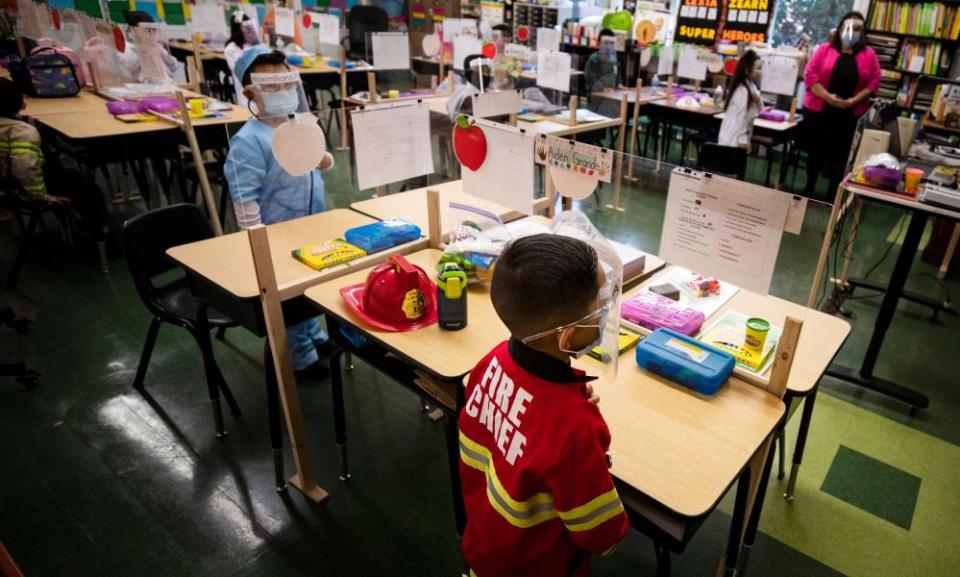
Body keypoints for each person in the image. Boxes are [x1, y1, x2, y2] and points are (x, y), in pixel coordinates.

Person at [459, 234, 629, 577]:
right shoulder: (574, 431)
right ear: (566, 337)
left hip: (487, 550)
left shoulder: (489, 362)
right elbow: (602, 534)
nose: (605, 314)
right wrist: (583, 434)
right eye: (600, 308)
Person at [224, 46, 335, 377]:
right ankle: (299, 358)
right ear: (250, 93)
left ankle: (314, 335)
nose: (284, 93)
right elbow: (244, 195)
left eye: (287, 84)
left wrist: (324, 158)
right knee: (287, 297)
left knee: (308, 286)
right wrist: (255, 235)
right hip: (276, 231)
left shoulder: (298, 124)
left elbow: (318, 160)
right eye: (272, 87)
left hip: (312, 223)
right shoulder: (250, 140)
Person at [0, 78, 106, 238]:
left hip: (5, 188)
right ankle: (98, 237)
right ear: (22, 104)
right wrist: (42, 197)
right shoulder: (22, 132)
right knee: (88, 190)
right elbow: (24, 167)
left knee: (72, 176)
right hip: (23, 191)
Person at [801, 11, 880, 197]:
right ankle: (809, 187)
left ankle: (831, 194)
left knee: (841, 156)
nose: (852, 32)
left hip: (849, 116)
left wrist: (854, 100)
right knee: (816, 152)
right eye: (848, 27)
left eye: (858, 29)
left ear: (863, 32)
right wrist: (828, 96)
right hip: (820, 112)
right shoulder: (824, 49)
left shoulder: (869, 55)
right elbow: (810, 75)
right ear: (840, 28)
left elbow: (875, 81)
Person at [116, 10, 179, 83]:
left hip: (161, 86)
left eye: (151, 31)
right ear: (132, 30)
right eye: (148, 31)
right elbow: (128, 70)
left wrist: (161, 52)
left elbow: (173, 66)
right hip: (141, 87)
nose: (151, 33)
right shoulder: (128, 48)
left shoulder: (155, 46)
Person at [718, 49, 763, 150]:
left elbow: (760, 109)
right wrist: (743, 141)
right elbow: (741, 118)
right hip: (732, 140)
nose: (759, 72)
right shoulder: (742, 90)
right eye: (756, 68)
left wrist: (758, 100)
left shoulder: (751, 87)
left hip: (735, 138)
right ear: (747, 70)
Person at [225, 12, 260, 107]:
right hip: (244, 87)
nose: (249, 30)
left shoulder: (254, 44)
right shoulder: (231, 49)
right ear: (237, 29)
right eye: (245, 27)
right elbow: (237, 69)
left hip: (260, 85)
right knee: (249, 110)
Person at [584, 29, 619, 95]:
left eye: (611, 43)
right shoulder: (593, 60)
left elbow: (616, 78)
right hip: (597, 99)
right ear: (599, 43)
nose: (608, 46)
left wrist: (619, 85)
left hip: (612, 97)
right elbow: (591, 83)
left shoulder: (614, 61)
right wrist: (602, 89)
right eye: (606, 43)